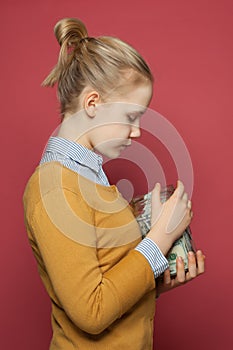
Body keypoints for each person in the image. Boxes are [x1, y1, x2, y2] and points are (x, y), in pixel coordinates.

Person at [23, 17, 205, 350]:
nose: (137, 131)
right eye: (131, 117)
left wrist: (159, 280)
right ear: (92, 104)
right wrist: (159, 239)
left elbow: (110, 284)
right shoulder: (55, 188)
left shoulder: (89, 177)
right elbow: (92, 312)